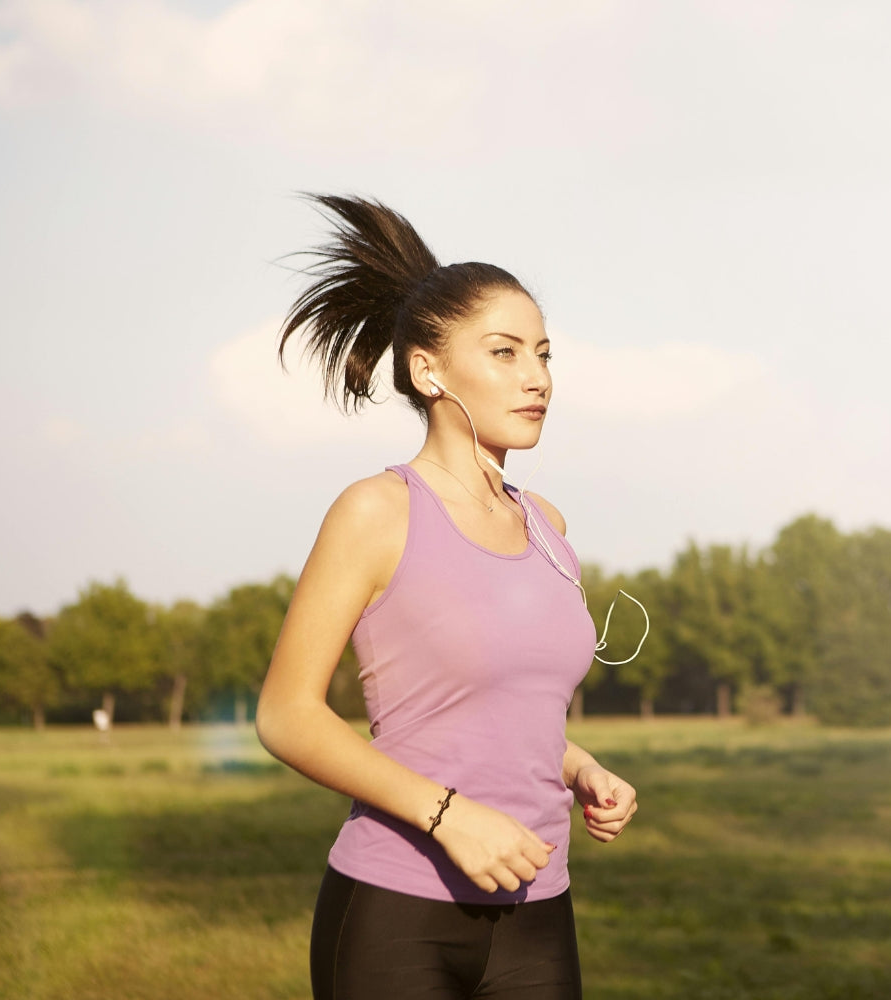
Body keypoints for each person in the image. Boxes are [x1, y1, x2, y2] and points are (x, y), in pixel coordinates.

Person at [255, 195, 638, 1000]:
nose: (537, 378)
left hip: (539, 910)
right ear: (428, 370)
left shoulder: (548, 526)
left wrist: (578, 766)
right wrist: (448, 817)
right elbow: (287, 715)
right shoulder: (377, 512)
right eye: (505, 353)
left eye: (543, 354)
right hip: (399, 912)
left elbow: (486, 706)